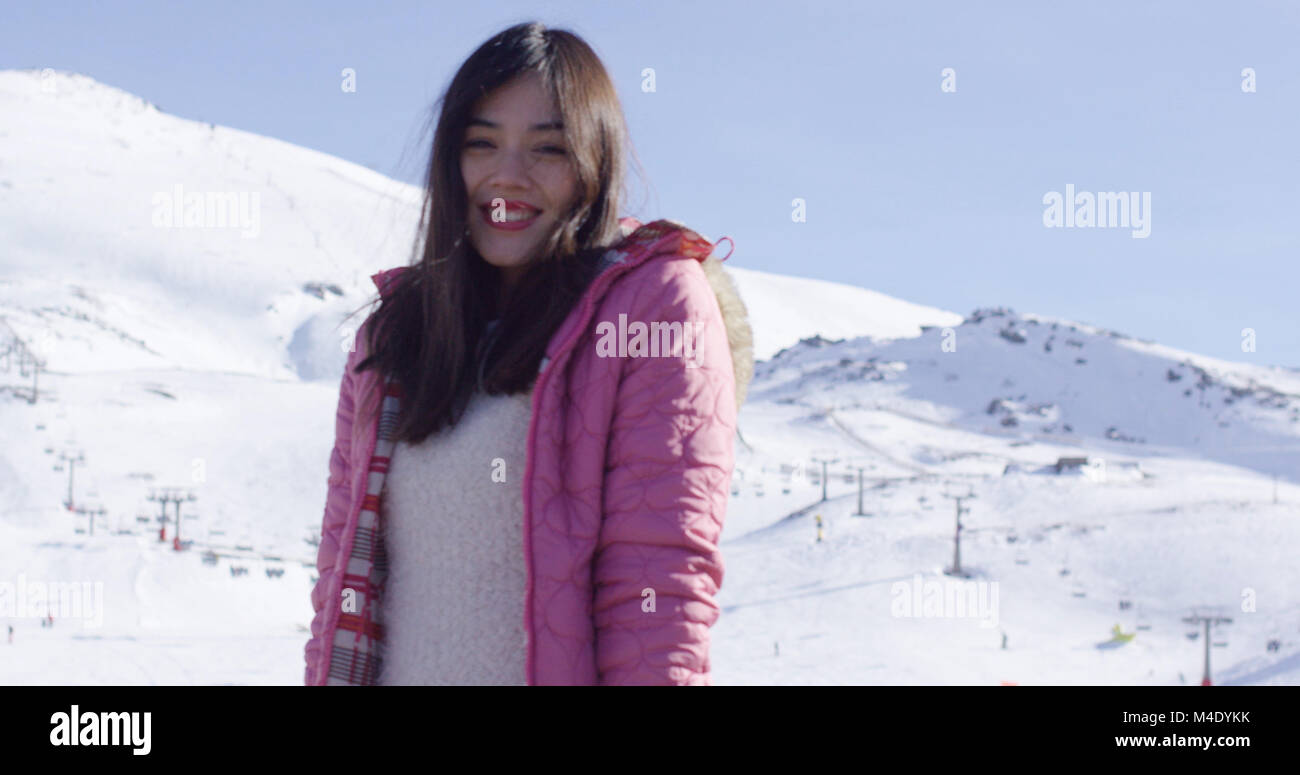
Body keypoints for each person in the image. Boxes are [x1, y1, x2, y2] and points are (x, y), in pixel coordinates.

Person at [304, 21, 753, 686]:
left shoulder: (653, 308)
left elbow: (659, 589)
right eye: (481, 144)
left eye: (548, 149)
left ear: (593, 163)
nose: (507, 176)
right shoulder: (396, 336)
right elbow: (340, 580)